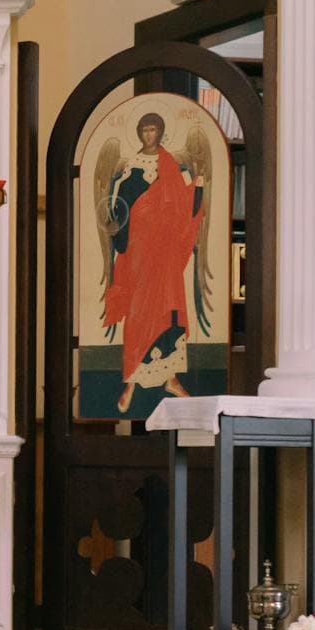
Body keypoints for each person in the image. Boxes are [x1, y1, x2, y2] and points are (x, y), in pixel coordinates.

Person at [102, 111, 206, 413]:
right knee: (138, 312)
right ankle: (131, 382)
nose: (150, 135)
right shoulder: (128, 168)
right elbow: (117, 208)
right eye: (145, 130)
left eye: (154, 130)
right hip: (138, 254)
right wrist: (116, 230)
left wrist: (197, 188)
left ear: (161, 133)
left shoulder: (174, 167)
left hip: (165, 253)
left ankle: (171, 378)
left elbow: (186, 207)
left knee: (168, 310)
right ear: (139, 133)